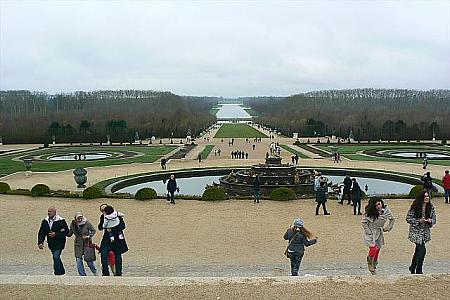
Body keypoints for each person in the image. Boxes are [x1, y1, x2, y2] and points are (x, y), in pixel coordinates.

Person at [361, 197, 395, 274]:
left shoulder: (386, 210)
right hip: (371, 232)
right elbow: (363, 222)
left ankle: (375, 261)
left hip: (379, 231)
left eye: (379, 204)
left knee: (378, 248)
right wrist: (368, 231)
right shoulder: (369, 213)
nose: (378, 206)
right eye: (376, 205)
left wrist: (388, 227)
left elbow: (392, 219)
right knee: (373, 248)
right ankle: (370, 262)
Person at [406, 190, 436, 274]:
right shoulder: (415, 207)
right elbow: (408, 218)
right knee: (422, 249)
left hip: (425, 231)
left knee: (418, 250)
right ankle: (419, 269)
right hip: (416, 231)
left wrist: (430, 221)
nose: (427, 198)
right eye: (425, 196)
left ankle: (412, 267)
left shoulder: (430, 206)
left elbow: (434, 218)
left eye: (428, 196)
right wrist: (419, 221)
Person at [37, 207, 69, 275]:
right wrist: (40, 242)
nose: (49, 213)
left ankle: (57, 273)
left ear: (55, 212)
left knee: (56, 256)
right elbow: (42, 232)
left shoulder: (61, 220)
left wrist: (56, 234)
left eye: (51, 211)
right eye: (48, 211)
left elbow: (66, 232)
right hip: (51, 243)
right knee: (56, 257)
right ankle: (62, 271)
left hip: (60, 243)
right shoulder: (45, 221)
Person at [98, 205, 128, 276]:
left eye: (104, 209)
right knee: (103, 255)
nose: (103, 211)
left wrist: (112, 229)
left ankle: (118, 273)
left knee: (118, 256)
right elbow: (100, 227)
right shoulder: (103, 217)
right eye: (102, 210)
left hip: (118, 239)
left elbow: (123, 226)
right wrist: (104, 224)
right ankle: (105, 274)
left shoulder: (117, 215)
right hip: (107, 240)